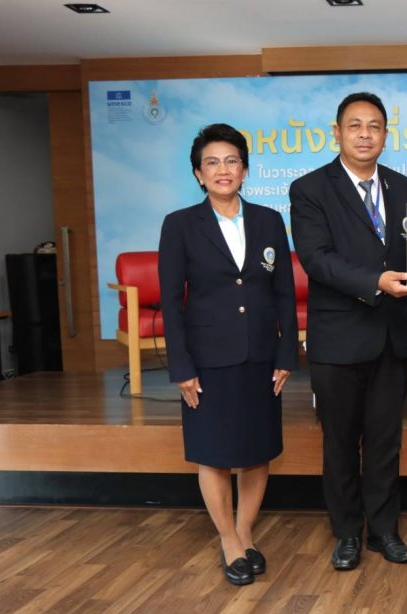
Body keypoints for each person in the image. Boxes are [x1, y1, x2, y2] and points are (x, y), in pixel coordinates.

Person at [290, 92, 407, 572]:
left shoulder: (402, 186)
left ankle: (384, 531)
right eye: (355, 126)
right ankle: (347, 532)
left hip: (391, 336)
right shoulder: (310, 189)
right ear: (337, 132)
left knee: (386, 441)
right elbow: (317, 259)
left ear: (386, 135)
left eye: (374, 126)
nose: (365, 135)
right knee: (341, 443)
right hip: (338, 339)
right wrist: (375, 282)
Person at [159, 123, 298, 586]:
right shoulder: (180, 225)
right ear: (198, 174)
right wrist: (181, 366)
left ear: (245, 169)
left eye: (232, 161)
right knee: (214, 454)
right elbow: (171, 302)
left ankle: (245, 533)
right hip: (207, 359)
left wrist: (286, 353)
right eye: (212, 162)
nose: (223, 170)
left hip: (261, 356)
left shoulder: (269, 221)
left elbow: (284, 294)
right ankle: (227, 540)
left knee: (258, 451)